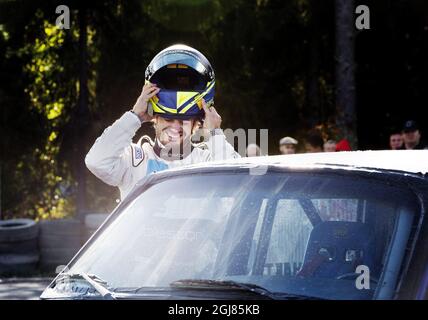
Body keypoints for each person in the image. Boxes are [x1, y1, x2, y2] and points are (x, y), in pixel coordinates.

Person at [85, 44, 240, 199]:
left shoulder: (206, 161)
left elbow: (237, 184)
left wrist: (214, 134)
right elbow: (96, 162)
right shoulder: (134, 160)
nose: (175, 127)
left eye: (184, 120)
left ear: (196, 123)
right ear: (155, 118)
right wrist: (134, 117)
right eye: (168, 118)